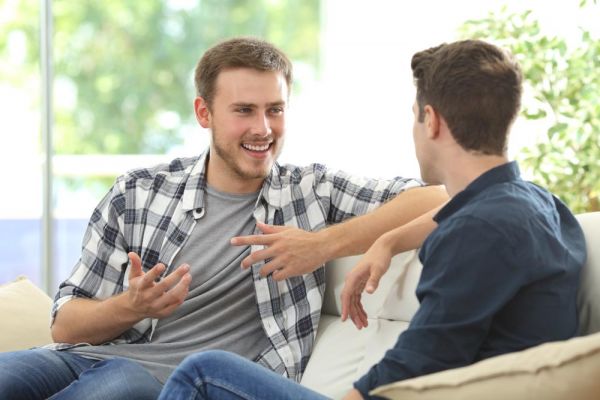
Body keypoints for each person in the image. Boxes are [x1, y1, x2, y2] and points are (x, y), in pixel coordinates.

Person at [0, 37, 447, 400]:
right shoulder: (138, 193)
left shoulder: (311, 191)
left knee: (118, 384)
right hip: (82, 357)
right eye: (244, 111)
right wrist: (131, 307)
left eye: (275, 109)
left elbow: (437, 196)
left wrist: (323, 245)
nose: (264, 129)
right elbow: (64, 324)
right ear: (203, 113)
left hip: (171, 386)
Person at [155, 39, 586, 400]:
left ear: (430, 121)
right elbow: (466, 207)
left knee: (205, 372)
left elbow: (420, 359)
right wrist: (387, 240)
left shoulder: (480, 232)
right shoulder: (535, 204)